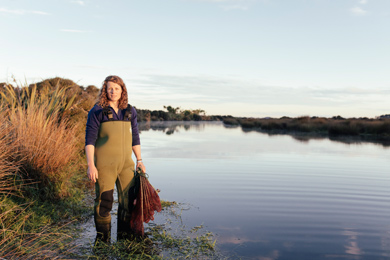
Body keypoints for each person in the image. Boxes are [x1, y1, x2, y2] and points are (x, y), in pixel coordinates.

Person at [85, 75, 145, 244]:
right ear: (105, 90)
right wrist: (91, 165)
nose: (113, 92)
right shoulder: (96, 111)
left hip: (126, 165)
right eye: (110, 88)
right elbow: (89, 140)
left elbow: (135, 137)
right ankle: (103, 240)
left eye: (117, 88)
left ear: (122, 90)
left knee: (128, 202)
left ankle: (124, 239)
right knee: (105, 202)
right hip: (104, 165)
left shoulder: (129, 111)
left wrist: (139, 160)